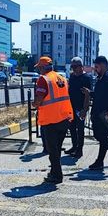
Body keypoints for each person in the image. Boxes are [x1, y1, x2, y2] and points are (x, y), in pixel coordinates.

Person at [32, 56, 74, 184]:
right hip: (64, 118)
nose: (39, 70)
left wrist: (34, 105)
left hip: (51, 120)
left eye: (39, 67)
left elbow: (39, 99)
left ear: (43, 67)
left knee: (53, 151)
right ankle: (55, 172)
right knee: (57, 149)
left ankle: (56, 176)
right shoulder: (61, 78)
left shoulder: (43, 79)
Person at [65, 57, 91, 158]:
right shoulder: (72, 77)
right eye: (72, 66)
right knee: (71, 128)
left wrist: (84, 110)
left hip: (80, 108)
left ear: (81, 67)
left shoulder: (86, 78)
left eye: (75, 66)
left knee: (80, 130)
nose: (73, 68)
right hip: (71, 107)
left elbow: (87, 95)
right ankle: (74, 146)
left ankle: (79, 150)